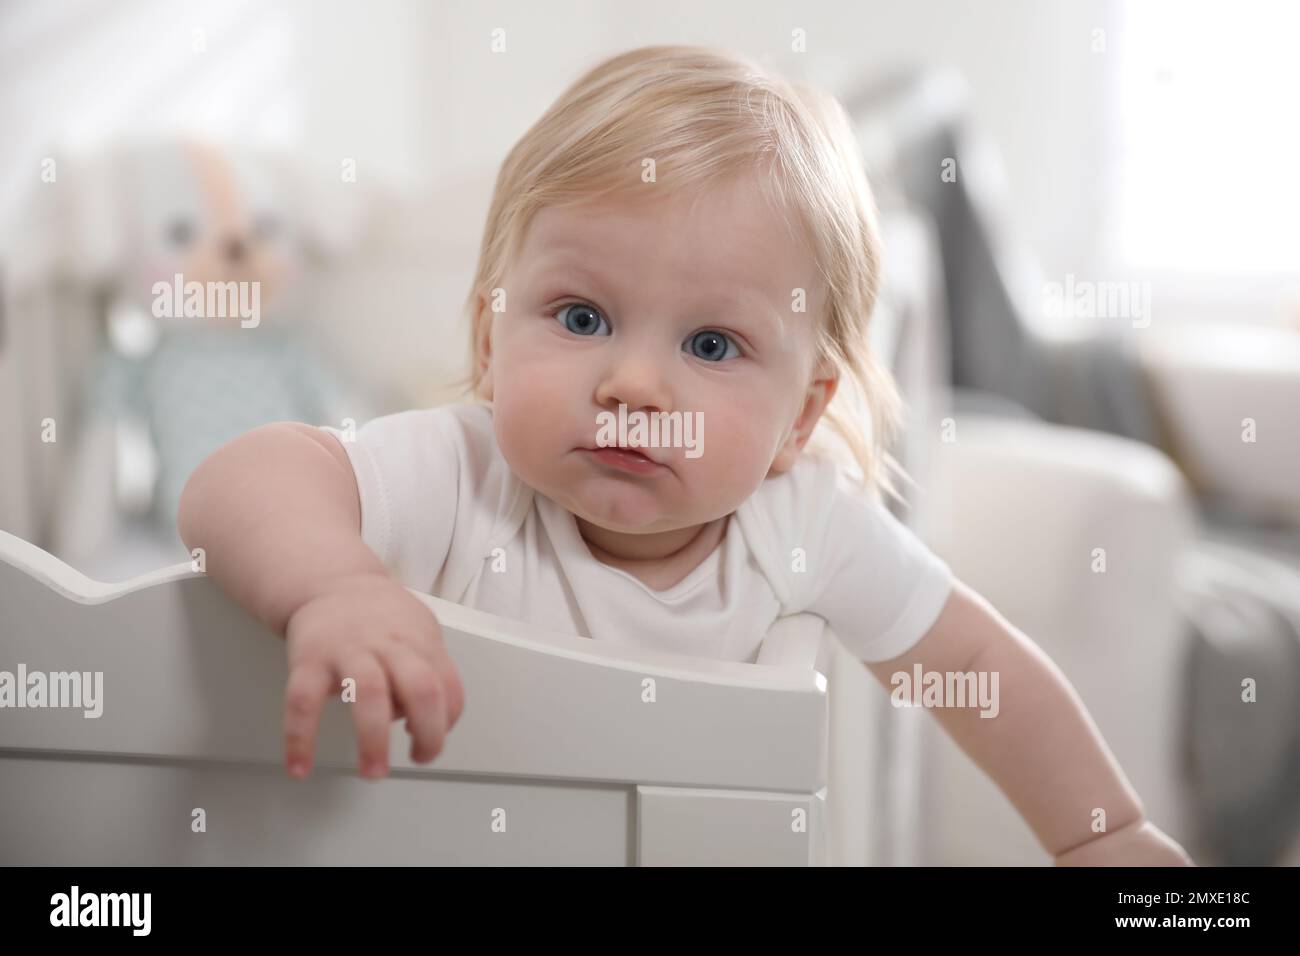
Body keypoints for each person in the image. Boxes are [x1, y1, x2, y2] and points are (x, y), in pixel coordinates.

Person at [178, 45, 1191, 865]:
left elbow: (973, 662)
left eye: (711, 345)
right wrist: (336, 586)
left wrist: (1101, 832)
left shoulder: (802, 524)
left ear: (801, 418)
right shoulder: (461, 469)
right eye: (580, 316)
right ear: (491, 345)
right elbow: (241, 478)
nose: (633, 384)